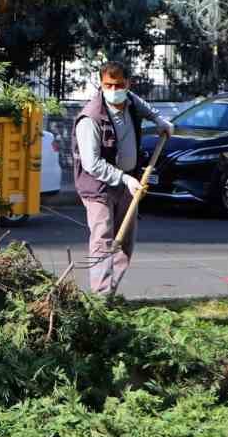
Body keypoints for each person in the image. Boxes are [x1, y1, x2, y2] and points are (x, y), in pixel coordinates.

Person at [73, 61, 173, 295]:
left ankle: (111, 290)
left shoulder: (130, 102)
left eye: (119, 84)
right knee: (103, 240)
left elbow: (146, 108)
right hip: (98, 186)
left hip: (129, 181)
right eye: (108, 84)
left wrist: (160, 121)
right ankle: (100, 297)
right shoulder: (91, 118)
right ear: (101, 84)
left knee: (125, 241)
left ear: (128, 84)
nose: (114, 89)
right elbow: (92, 163)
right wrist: (124, 178)